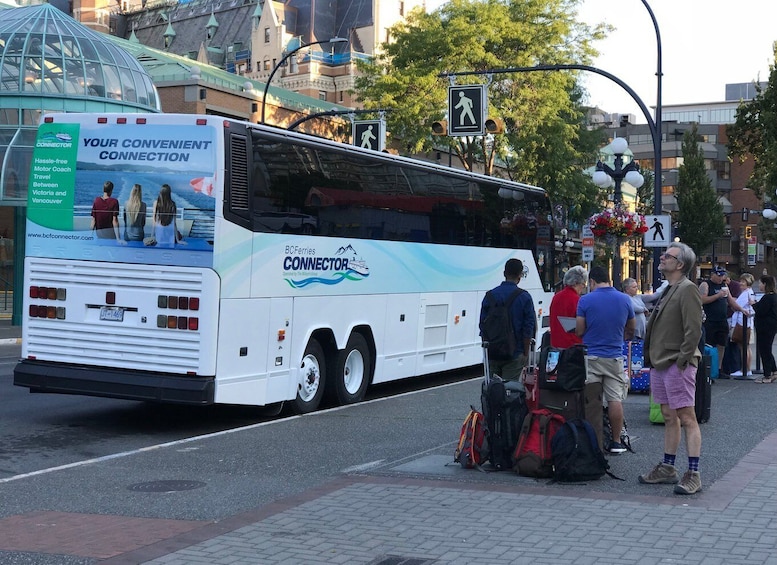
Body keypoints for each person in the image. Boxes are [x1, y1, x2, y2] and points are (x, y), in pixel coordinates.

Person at [639, 242, 704, 495]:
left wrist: (683, 359)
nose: (662, 258)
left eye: (668, 256)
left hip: (677, 362)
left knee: (687, 417)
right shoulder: (669, 288)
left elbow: (693, 329)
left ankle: (693, 473)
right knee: (668, 415)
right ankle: (668, 467)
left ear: (680, 264)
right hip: (661, 363)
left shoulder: (688, 289)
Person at [575, 266, 635, 455]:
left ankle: (594, 442)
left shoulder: (585, 300)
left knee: (591, 399)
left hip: (591, 356)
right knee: (614, 399)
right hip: (614, 356)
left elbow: (579, 330)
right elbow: (631, 328)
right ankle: (616, 442)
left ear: (592, 281)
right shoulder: (625, 299)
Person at [479, 258, 536, 382]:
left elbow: (483, 325)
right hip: (514, 353)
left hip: (493, 352)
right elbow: (528, 327)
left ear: (504, 273)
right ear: (520, 275)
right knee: (509, 391)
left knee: (493, 390)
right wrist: (525, 353)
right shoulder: (524, 297)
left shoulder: (489, 296)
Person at [699, 266, 746, 376]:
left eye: (722, 276)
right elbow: (702, 299)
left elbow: (730, 301)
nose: (721, 278)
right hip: (709, 319)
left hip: (722, 319)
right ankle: (707, 369)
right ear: (713, 275)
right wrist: (718, 295)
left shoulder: (724, 286)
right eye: (719, 276)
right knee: (708, 345)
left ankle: (718, 369)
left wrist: (741, 309)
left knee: (722, 344)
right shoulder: (706, 285)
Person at [549, 266, 587, 349]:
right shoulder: (577, 300)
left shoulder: (556, 297)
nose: (584, 287)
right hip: (572, 347)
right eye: (583, 284)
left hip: (555, 345)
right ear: (576, 283)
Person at [730, 273, 755, 378]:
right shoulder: (751, 292)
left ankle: (744, 369)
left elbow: (737, 306)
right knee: (746, 347)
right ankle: (747, 369)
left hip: (742, 323)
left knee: (743, 347)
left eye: (743, 281)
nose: (741, 283)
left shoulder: (746, 293)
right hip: (748, 323)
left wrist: (732, 301)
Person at [753, 275, 777, 383]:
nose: (759, 285)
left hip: (765, 327)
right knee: (767, 348)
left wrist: (753, 304)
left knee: (764, 350)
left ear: (765, 284)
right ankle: (773, 370)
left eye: (760, 283)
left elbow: (761, 310)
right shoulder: (774, 296)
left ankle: (767, 375)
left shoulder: (767, 297)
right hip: (771, 326)